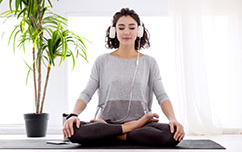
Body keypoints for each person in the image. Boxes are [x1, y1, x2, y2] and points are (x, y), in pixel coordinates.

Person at [63, 8, 185, 146]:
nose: (126, 32)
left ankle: (111, 135)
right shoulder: (102, 61)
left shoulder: (149, 62)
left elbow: (162, 95)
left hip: (141, 125)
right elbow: (87, 93)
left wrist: (173, 119)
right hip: (106, 124)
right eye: (121, 28)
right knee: (72, 130)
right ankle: (123, 131)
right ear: (114, 31)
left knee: (172, 135)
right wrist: (73, 115)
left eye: (132, 28)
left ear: (139, 31)